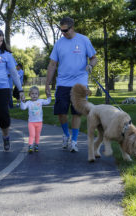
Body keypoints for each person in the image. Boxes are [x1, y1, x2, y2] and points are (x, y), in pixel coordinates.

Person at [45, 17, 97, 152]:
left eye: (66, 30)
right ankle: (66, 135)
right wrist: (47, 84)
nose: (63, 33)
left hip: (80, 83)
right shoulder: (59, 44)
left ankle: (74, 141)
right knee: (61, 112)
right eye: (61, 31)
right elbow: (52, 64)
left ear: (72, 27)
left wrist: (91, 65)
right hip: (62, 82)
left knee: (77, 112)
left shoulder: (84, 40)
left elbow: (94, 58)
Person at [20, 86, 51, 153]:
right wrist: (22, 101)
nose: (34, 95)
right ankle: (30, 146)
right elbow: (23, 108)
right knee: (32, 135)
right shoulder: (28, 102)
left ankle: (36, 145)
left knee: (37, 135)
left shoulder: (41, 101)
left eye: (36, 93)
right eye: (32, 93)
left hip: (39, 122)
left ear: (38, 95)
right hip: (31, 122)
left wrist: (49, 96)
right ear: (30, 95)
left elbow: (48, 102)